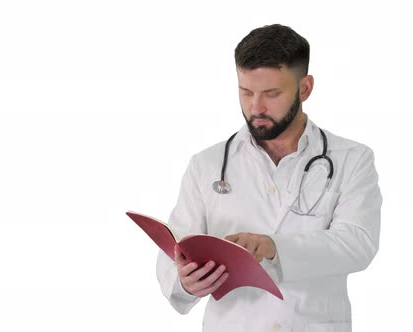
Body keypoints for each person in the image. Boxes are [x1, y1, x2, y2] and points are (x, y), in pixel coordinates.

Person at [156, 24, 382, 332]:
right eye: (246, 92)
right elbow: (174, 252)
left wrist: (273, 247)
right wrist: (185, 281)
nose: (255, 107)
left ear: (305, 88)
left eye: (271, 94)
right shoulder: (206, 165)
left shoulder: (351, 159)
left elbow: (357, 244)